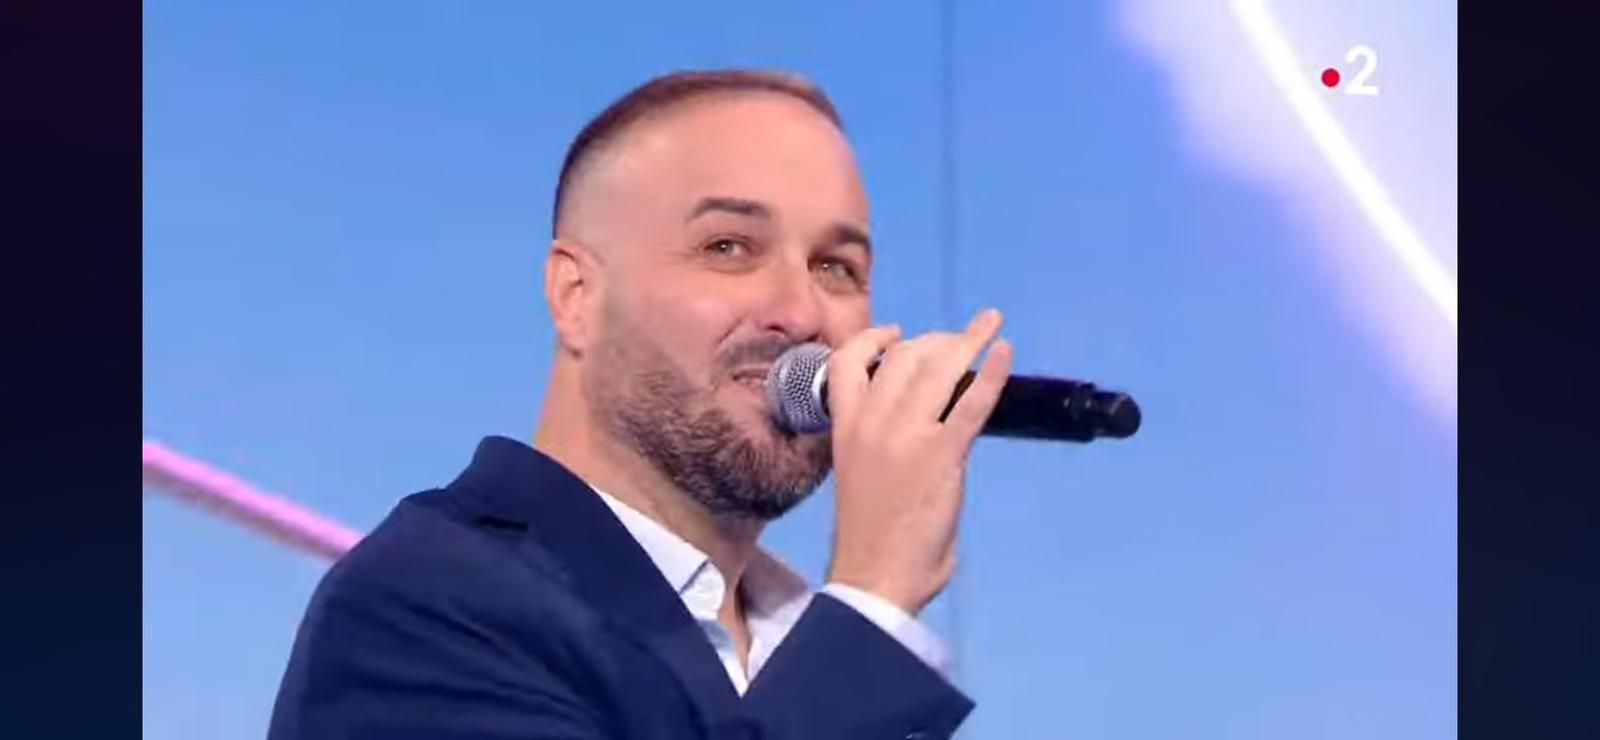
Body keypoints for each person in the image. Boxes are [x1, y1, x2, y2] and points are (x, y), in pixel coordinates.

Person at [267, 68, 1013, 740]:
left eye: (836, 267)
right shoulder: (426, 607)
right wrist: (874, 596)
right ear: (576, 295)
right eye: (728, 247)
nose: (800, 311)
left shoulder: (799, 638)